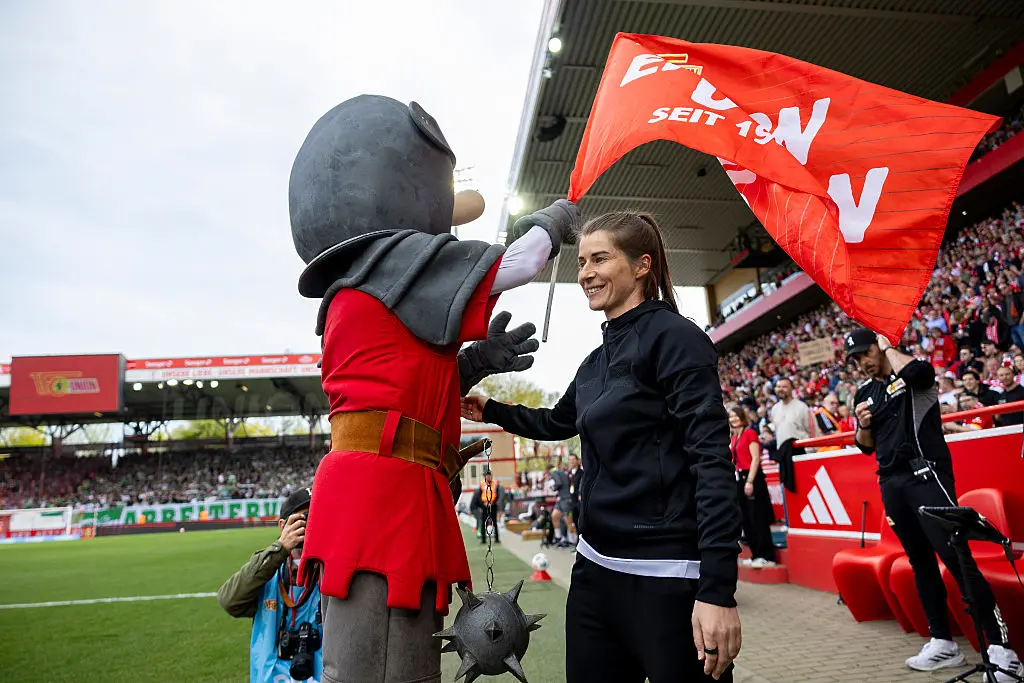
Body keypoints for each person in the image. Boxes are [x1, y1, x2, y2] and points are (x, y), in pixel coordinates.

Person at [287, 95, 577, 682]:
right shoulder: (392, 259)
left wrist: (473, 363)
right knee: (388, 662)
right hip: (386, 492)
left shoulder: (357, 289)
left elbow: (402, 387)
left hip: (383, 483)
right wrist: (555, 220)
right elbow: (516, 264)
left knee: (382, 657)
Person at [462, 210, 742, 682]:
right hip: (594, 574)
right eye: (582, 261)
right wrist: (490, 409)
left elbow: (712, 464)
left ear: (641, 266)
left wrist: (717, 591)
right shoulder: (594, 362)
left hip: (668, 577)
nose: (586, 272)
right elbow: (556, 421)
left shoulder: (678, 339)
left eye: (601, 258)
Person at [846, 327, 1021, 678]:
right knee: (919, 563)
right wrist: (862, 425)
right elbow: (865, 445)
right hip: (891, 483)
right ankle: (942, 642)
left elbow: (918, 373)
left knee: (957, 559)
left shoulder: (913, 373)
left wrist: (887, 346)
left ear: (881, 347)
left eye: (865, 353)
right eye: (854, 358)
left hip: (927, 475)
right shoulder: (864, 392)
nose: (861, 362)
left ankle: (1002, 650)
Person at [217, 488, 323, 683]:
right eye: (303, 518)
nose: (310, 523)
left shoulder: (331, 569)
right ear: (283, 525)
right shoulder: (268, 571)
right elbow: (229, 600)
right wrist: (280, 548)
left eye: (316, 515)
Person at [728, 406, 776, 569]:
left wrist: (749, 481)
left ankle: (767, 556)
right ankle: (756, 554)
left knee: (758, 517)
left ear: (742, 416)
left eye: (736, 416)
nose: (733, 419)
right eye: (731, 417)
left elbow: (756, 459)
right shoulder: (734, 437)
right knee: (746, 518)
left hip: (752, 477)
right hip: (739, 478)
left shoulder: (750, 433)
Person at [469, 468, 504, 544]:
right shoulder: (482, 484)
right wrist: (482, 504)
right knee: (483, 523)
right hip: (484, 506)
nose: (488, 477)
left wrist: (494, 503)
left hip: (493, 506)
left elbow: (498, 495)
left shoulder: (496, 484)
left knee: (494, 523)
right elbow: (479, 496)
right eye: (487, 476)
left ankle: (497, 539)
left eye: (490, 476)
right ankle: (483, 539)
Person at [547, 463, 574, 548]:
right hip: (561, 499)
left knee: (568, 520)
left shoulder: (554, 473)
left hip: (566, 499)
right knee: (555, 516)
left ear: (548, 470)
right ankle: (559, 538)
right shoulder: (561, 472)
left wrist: (553, 488)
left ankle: (572, 542)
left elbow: (558, 483)